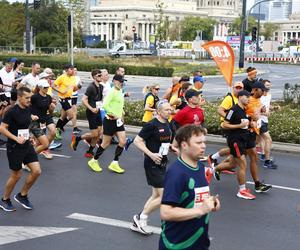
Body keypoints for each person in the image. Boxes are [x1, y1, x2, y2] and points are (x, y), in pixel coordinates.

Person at [159, 125, 220, 250]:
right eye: (198, 142)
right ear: (184, 145)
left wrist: (211, 202)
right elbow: (166, 212)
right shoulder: (177, 173)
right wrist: (201, 210)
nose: (203, 146)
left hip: (199, 243)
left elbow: (195, 199)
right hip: (176, 245)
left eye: (204, 142)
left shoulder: (200, 168)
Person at [130, 100, 172, 235]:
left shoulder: (168, 124)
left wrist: (173, 148)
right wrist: (151, 154)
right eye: (166, 110)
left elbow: (163, 142)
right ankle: (141, 217)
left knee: (156, 194)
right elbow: (137, 141)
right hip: (152, 163)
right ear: (159, 111)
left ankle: (140, 220)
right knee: (164, 195)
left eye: (170, 109)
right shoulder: (151, 125)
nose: (169, 111)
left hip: (162, 162)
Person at [0, 87, 42, 211]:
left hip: (26, 145)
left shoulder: (28, 109)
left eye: (30, 98)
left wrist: (30, 137)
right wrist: (15, 138)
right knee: (16, 175)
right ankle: (4, 200)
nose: (30, 100)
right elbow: (2, 128)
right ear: (19, 97)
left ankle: (22, 195)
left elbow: (24, 125)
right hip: (14, 147)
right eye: (27, 98)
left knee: (36, 171)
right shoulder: (12, 111)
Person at [87, 74, 127, 173]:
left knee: (123, 141)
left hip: (118, 122)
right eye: (119, 81)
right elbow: (105, 105)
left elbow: (119, 105)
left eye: (122, 81)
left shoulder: (120, 91)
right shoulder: (112, 92)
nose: (121, 83)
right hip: (110, 121)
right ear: (114, 81)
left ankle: (114, 163)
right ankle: (94, 160)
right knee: (106, 143)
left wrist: (121, 115)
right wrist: (113, 114)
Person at [221, 90, 257, 199]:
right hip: (235, 140)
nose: (248, 100)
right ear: (240, 97)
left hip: (243, 140)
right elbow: (224, 125)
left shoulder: (243, 110)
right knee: (242, 165)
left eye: (249, 98)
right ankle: (241, 191)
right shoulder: (233, 110)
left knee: (232, 164)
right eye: (247, 97)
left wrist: (251, 123)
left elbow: (244, 124)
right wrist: (239, 125)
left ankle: (212, 170)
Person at [209, 81, 244, 179]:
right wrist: (229, 119)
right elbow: (220, 110)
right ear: (233, 88)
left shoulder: (241, 99)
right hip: (228, 126)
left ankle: (220, 164)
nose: (238, 89)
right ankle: (214, 159)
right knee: (234, 148)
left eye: (240, 88)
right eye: (237, 88)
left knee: (235, 149)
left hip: (236, 127)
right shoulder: (230, 98)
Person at [244, 81, 273, 193]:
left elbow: (259, 112)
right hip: (245, 133)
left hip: (253, 131)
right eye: (262, 90)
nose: (264, 92)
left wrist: (262, 111)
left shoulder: (258, 100)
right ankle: (256, 185)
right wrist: (251, 119)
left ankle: (214, 161)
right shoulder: (247, 100)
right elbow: (241, 114)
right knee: (251, 159)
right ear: (255, 89)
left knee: (234, 160)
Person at [71, 69, 103, 158]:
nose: (100, 77)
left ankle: (89, 151)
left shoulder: (101, 87)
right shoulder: (91, 87)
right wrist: (91, 109)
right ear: (93, 77)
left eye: (101, 75)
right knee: (94, 134)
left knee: (99, 132)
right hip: (91, 112)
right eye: (98, 76)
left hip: (98, 111)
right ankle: (77, 139)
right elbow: (84, 99)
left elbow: (99, 100)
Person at [29, 79, 56, 159]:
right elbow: (27, 107)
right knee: (36, 142)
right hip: (36, 119)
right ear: (40, 88)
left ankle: (45, 148)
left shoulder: (48, 97)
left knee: (53, 132)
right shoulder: (34, 97)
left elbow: (50, 112)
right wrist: (31, 115)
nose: (47, 89)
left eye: (47, 87)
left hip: (46, 117)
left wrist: (52, 108)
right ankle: (40, 149)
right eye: (45, 87)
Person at [52, 64, 77, 138]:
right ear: (66, 70)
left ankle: (57, 130)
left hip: (69, 98)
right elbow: (53, 85)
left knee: (62, 117)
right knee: (71, 115)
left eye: (73, 69)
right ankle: (58, 129)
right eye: (71, 69)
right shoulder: (62, 77)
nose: (73, 71)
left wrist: (77, 88)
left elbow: (74, 88)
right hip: (63, 99)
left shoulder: (73, 78)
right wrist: (60, 91)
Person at [257, 79, 277, 169]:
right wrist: (265, 114)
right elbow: (255, 111)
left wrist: (274, 108)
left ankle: (263, 154)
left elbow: (267, 106)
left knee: (260, 139)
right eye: (267, 85)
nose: (269, 87)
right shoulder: (259, 97)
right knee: (268, 140)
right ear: (262, 86)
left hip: (265, 120)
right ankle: (267, 161)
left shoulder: (269, 95)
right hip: (259, 121)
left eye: (270, 85)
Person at [71, 67, 83, 134]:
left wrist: (80, 85)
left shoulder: (77, 78)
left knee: (68, 113)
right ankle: (75, 127)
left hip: (75, 96)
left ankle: (60, 126)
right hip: (70, 96)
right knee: (74, 112)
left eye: (76, 70)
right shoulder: (69, 78)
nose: (75, 71)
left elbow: (79, 87)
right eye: (74, 70)